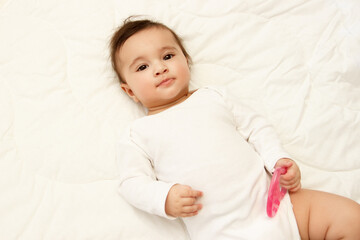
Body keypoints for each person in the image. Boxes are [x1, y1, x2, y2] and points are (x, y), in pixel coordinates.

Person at [110, 17, 360, 240]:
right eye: (142, 67)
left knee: (352, 218)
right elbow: (131, 183)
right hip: (222, 231)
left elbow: (257, 129)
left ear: (186, 61)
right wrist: (163, 198)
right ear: (130, 91)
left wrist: (277, 159)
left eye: (168, 56)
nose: (160, 68)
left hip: (280, 207)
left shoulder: (214, 96)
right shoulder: (138, 134)